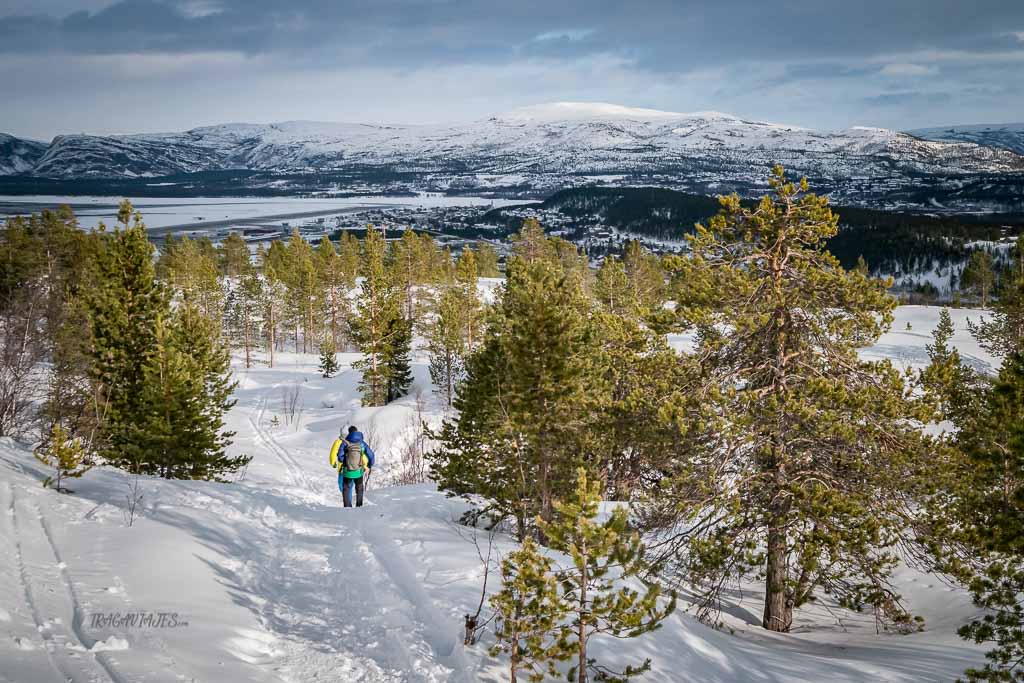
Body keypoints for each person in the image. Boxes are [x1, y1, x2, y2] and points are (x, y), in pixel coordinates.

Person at [330, 425, 375, 507]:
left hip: (347, 471)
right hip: (359, 471)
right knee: (359, 489)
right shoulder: (362, 443)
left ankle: (347, 508)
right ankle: (359, 506)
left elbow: (340, 456)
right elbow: (371, 455)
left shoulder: (345, 443)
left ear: (349, 433)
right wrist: (369, 464)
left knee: (346, 489)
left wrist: (344, 462)